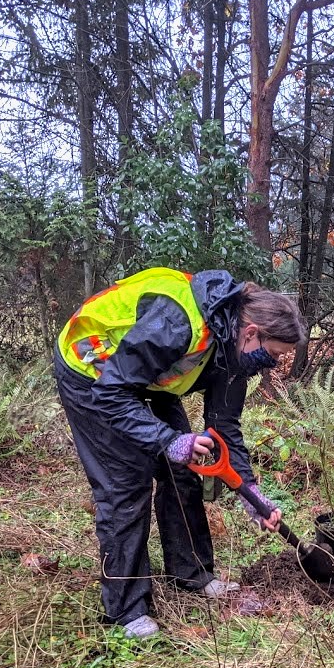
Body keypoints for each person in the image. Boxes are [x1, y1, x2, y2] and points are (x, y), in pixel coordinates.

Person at [54, 267, 305, 638]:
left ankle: (191, 574)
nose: (272, 365)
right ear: (251, 333)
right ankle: (126, 610)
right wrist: (167, 439)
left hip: (148, 380)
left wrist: (250, 493)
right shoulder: (177, 322)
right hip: (94, 375)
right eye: (272, 356)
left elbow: (224, 426)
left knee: (184, 472)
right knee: (126, 486)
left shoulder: (233, 348)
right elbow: (113, 392)